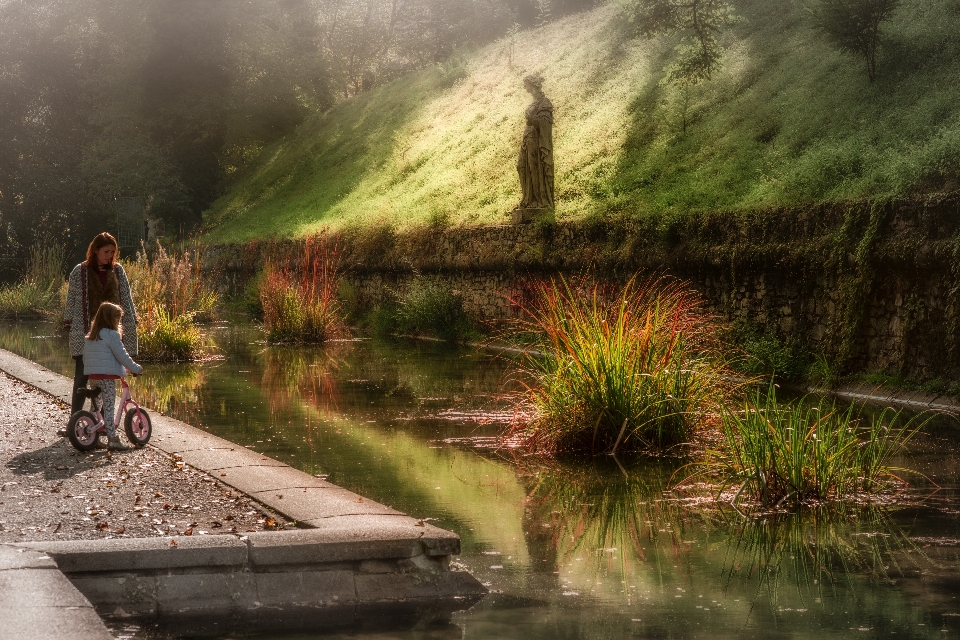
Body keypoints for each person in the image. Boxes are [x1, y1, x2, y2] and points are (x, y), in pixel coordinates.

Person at [63, 233, 138, 421]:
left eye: (112, 252)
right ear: (95, 250)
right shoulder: (79, 272)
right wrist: (69, 322)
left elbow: (126, 300)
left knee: (109, 378)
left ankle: (102, 422)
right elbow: (71, 300)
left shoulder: (118, 271)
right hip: (86, 332)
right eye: (106, 251)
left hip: (111, 333)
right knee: (81, 377)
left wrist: (131, 324)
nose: (109, 255)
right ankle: (76, 421)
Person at [82, 302, 143, 451]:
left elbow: (88, 357)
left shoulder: (91, 336)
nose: (118, 322)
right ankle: (112, 438)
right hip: (107, 378)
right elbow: (122, 356)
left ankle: (93, 436)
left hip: (93, 376)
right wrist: (135, 368)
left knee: (95, 406)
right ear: (111, 319)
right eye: (117, 319)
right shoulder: (112, 335)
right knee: (109, 407)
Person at [517, 74, 555, 210]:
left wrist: (532, 118)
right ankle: (528, 198)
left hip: (536, 139)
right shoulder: (534, 103)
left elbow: (545, 123)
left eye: (526, 84)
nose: (524, 87)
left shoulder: (544, 103)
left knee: (535, 170)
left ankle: (540, 201)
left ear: (532, 85)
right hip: (527, 139)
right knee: (522, 167)